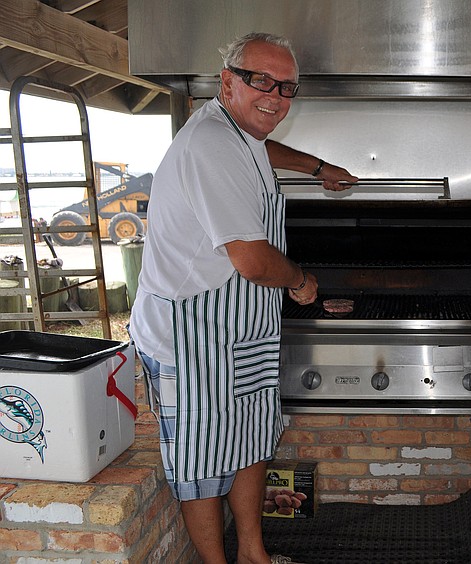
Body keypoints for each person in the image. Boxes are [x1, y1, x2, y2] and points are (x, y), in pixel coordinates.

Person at [128, 32, 357, 564]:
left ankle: (254, 556)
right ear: (227, 81)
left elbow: (264, 148)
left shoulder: (238, 130)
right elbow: (253, 261)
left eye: (287, 88)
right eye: (261, 81)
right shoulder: (209, 143)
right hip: (191, 335)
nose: (275, 97)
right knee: (203, 464)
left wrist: (318, 169)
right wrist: (299, 281)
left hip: (239, 330)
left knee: (252, 441)